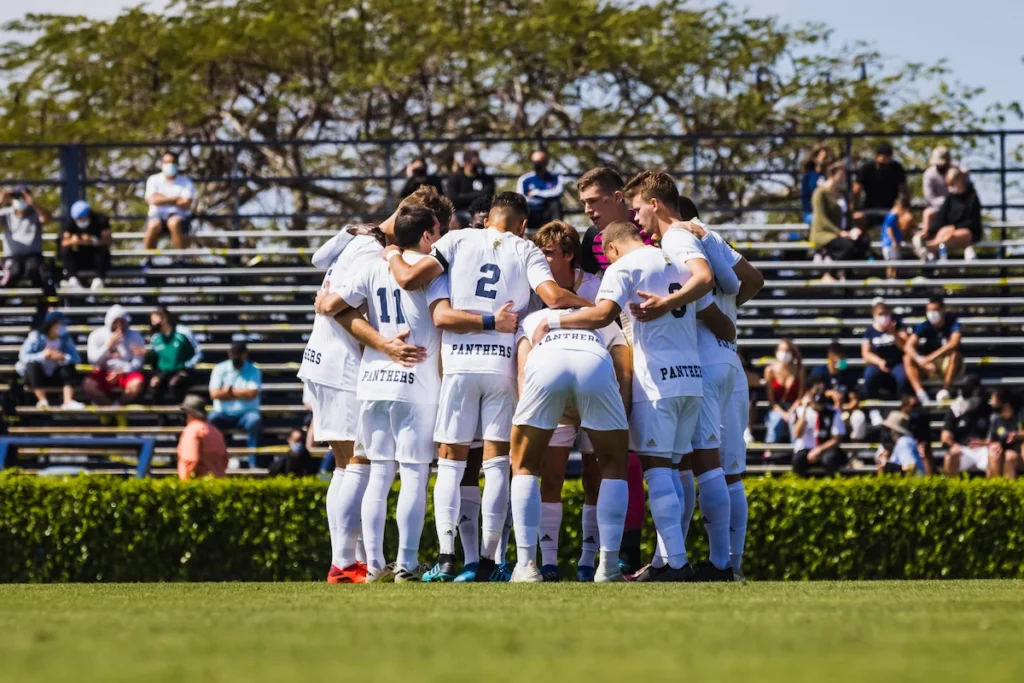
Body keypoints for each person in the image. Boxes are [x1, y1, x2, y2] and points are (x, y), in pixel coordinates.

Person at [382, 191, 590, 582]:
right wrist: (597, 307)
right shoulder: (526, 249)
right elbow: (552, 297)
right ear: (523, 224)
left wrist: (392, 252)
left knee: (451, 461)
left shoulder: (455, 240)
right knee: (497, 464)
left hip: (459, 365)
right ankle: (491, 561)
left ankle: (448, 559)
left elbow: (410, 279)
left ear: (489, 217)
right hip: (502, 366)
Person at [528, 220, 717, 582]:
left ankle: (676, 563)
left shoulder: (623, 267)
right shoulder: (679, 261)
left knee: (658, 469)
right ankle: (667, 558)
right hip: (692, 377)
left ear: (610, 248)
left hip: (656, 378)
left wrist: (553, 321)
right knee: (678, 470)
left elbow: (602, 315)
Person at [632, 188, 761, 581]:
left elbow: (698, 285)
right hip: (730, 361)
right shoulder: (710, 235)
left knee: (693, 465)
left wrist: (678, 305)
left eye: (639, 210)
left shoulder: (675, 239)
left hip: (700, 361)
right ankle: (729, 564)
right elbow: (753, 280)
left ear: (658, 206)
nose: (641, 224)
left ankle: (706, 563)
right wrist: (729, 309)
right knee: (731, 472)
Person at [330, 204, 449, 583]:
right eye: (439, 230)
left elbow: (333, 307)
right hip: (417, 378)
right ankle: (407, 565)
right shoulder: (432, 269)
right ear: (428, 234)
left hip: (373, 378)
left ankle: (375, 566)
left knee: (379, 474)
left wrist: (381, 342)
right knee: (413, 474)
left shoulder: (373, 265)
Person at [509, 299, 632, 583]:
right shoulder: (604, 319)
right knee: (613, 467)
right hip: (594, 362)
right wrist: (617, 419)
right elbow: (624, 370)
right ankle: (608, 567)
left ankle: (526, 566)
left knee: (524, 465)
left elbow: (523, 372)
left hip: (545, 362)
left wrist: (538, 412)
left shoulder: (534, 317)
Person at [528, 221, 606, 581]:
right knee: (552, 476)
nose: (541, 260)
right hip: (554, 396)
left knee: (596, 478)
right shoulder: (535, 288)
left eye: (548, 253)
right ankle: (549, 562)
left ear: (569, 254)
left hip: (594, 392)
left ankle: (590, 561)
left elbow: (612, 329)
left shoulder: (597, 284)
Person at [208, 341, 263, 468]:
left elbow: (252, 394)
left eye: (239, 355)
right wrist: (240, 393)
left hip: (246, 414)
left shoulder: (254, 370)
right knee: (211, 420)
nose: (236, 358)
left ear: (245, 355)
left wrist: (229, 391)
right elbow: (214, 394)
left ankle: (253, 463)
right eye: (234, 355)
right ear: (229, 354)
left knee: (255, 421)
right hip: (222, 414)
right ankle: (215, 462)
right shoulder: (220, 369)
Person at [15, 310, 84, 409]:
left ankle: (68, 401)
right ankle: (42, 401)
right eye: (60, 323)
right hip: (37, 378)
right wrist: (42, 356)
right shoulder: (36, 336)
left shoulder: (65, 338)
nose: (63, 326)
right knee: (32, 365)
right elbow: (23, 357)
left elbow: (76, 358)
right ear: (52, 325)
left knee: (69, 366)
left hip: (56, 377)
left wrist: (63, 357)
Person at [83, 304, 147, 406]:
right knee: (89, 384)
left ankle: (117, 407)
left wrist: (122, 372)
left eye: (122, 322)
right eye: (115, 323)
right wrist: (108, 347)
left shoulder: (135, 337)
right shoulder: (97, 335)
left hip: (126, 373)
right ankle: (111, 410)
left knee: (137, 383)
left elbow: (138, 362)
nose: (119, 326)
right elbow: (92, 360)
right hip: (104, 371)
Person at [811, 162, 869, 270]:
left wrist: (853, 229)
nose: (843, 179)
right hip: (826, 233)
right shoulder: (820, 193)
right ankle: (830, 271)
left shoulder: (843, 193)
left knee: (863, 242)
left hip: (843, 232)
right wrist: (840, 232)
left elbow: (848, 215)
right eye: (841, 176)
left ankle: (847, 275)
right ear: (832, 175)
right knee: (847, 246)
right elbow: (822, 219)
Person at [904, 296, 963, 404]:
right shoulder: (925, 325)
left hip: (947, 362)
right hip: (929, 365)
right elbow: (908, 346)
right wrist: (920, 360)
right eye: (929, 310)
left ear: (943, 310)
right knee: (907, 358)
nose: (931, 314)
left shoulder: (952, 322)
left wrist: (930, 357)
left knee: (955, 355)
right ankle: (921, 394)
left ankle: (945, 390)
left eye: (935, 310)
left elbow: (954, 343)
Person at [142, 151, 195, 267]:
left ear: (177, 164)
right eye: (166, 162)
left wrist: (162, 199)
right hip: (157, 217)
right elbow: (153, 200)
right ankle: (147, 260)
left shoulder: (186, 182)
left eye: (172, 162)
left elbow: (186, 203)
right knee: (153, 225)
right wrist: (175, 199)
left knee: (174, 222)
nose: (169, 165)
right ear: (161, 164)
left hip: (180, 218)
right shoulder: (153, 180)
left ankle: (181, 259)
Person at [145, 306, 203, 405]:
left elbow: (198, 353)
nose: (153, 324)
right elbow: (156, 361)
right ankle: (163, 419)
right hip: (164, 372)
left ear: (164, 319)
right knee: (154, 387)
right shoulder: (155, 338)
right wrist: (147, 355)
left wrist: (185, 367)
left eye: (155, 320)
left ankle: (182, 417)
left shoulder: (182, 332)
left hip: (184, 371)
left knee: (174, 384)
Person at [921, 167, 982, 261]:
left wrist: (954, 227)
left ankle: (931, 247)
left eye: (953, 183)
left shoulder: (972, 197)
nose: (952, 186)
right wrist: (930, 232)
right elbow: (941, 217)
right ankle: (933, 250)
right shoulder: (950, 198)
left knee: (952, 234)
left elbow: (972, 221)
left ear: (960, 181)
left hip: (969, 231)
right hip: (949, 231)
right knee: (944, 231)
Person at [810, 341, 866, 440]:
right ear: (830, 356)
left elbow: (854, 397)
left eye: (843, 357)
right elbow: (812, 395)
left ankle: (853, 452)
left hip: (844, 410)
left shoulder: (848, 373)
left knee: (859, 418)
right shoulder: (819, 372)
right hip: (823, 410)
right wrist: (830, 393)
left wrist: (848, 406)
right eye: (839, 356)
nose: (842, 360)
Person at [1, 186, 54, 291]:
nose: (20, 200)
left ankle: (42, 302)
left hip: (33, 256)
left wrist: (34, 204)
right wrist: (2, 199)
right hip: (12, 257)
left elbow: (48, 218)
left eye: (23, 197)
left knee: (33, 270)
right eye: (17, 197)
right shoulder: (6, 213)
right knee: (13, 272)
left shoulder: (35, 213)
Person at [942, 376, 991, 477]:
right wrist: (953, 445)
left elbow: (996, 435)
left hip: (983, 449)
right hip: (963, 449)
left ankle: (995, 490)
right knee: (949, 457)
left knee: (995, 455)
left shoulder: (987, 409)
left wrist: (984, 442)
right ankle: (951, 490)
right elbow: (945, 437)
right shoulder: (955, 409)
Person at [791, 388, 847, 477]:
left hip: (825, 449)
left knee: (829, 459)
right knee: (798, 460)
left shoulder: (833, 412)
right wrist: (804, 411)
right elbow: (796, 434)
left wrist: (819, 449)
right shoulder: (801, 411)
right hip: (806, 448)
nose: (819, 407)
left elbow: (836, 439)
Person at [861, 300, 909, 403]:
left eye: (885, 314)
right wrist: (879, 362)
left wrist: (893, 333)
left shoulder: (898, 327)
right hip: (878, 363)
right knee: (869, 376)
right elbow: (865, 353)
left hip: (896, 362)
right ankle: (873, 406)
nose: (883, 316)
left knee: (903, 378)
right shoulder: (870, 331)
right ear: (874, 316)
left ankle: (901, 402)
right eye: (880, 314)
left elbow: (905, 347)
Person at [853, 141, 907, 228]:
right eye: (882, 163)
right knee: (856, 218)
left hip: (892, 209)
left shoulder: (897, 168)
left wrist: (899, 207)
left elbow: (903, 192)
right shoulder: (866, 168)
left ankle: (898, 241)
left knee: (907, 219)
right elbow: (856, 190)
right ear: (876, 157)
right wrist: (855, 208)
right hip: (869, 208)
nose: (885, 165)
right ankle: (861, 240)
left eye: (887, 162)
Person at [59, 200, 111, 290]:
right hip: (79, 258)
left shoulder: (100, 219)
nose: (80, 221)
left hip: (96, 259)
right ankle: (73, 279)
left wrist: (93, 240)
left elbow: (108, 240)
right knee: (65, 250)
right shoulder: (71, 222)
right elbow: (64, 242)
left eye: (82, 218)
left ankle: (99, 279)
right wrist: (74, 241)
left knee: (102, 250)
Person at [176, 395, 229, 480]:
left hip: (199, 484)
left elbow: (190, 459)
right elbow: (225, 459)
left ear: (188, 414)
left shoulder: (192, 430)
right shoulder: (215, 431)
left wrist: (185, 482)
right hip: (218, 482)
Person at [763, 339, 804, 444]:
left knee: (794, 420)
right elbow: (771, 401)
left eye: (787, 351)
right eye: (781, 350)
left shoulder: (799, 370)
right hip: (777, 408)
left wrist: (790, 412)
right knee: (775, 420)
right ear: (776, 352)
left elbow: (800, 398)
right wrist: (783, 414)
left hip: (793, 406)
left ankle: (797, 450)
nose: (784, 353)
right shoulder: (770, 371)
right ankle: (769, 452)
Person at [516, 149, 565, 232]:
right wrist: (540, 199)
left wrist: (536, 193)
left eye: (540, 162)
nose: (537, 165)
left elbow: (558, 192)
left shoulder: (556, 178)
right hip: (531, 214)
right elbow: (522, 197)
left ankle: (557, 232)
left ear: (546, 162)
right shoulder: (525, 179)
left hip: (547, 213)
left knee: (555, 203)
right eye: (535, 162)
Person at [445, 148, 495, 228]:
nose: (476, 167)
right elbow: (453, 199)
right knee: (452, 220)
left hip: (482, 212)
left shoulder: (486, 179)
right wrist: (478, 195)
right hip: (461, 213)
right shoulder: (455, 178)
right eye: (472, 164)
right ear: (465, 163)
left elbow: (488, 196)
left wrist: (462, 196)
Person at [987, 389, 1023, 480]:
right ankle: (995, 488)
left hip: (1019, 451)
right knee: (993, 453)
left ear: (1005, 403)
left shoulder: (1020, 414)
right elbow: (991, 440)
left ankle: (1009, 491)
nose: (992, 404)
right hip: (1004, 451)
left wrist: (1017, 435)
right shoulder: (995, 418)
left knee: (1010, 457)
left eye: (994, 401)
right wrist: (995, 443)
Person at [876, 411, 925, 476]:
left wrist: (887, 466)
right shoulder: (907, 440)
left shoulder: (903, 442)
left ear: (894, 430)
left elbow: (912, 467)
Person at [881, 195, 914, 279]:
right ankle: (890, 285)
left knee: (895, 266)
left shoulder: (895, 216)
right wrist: (894, 241)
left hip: (892, 244)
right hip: (890, 245)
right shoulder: (893, 215)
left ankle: (893, 283)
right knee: (891, 265)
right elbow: (889, 229)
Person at [922, 145, 952, 234]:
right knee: (928, 213)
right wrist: (946, 202)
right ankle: (925, 238)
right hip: (936, 208)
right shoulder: (929, 174)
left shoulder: (956, 171)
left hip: (955, 207)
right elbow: (930, 198)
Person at [800, 146, 833, 224]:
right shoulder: (809, 176)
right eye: (824, 157)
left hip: (827, 213)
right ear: (815, 158)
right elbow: (808, 196)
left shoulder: (830, 175)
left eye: (828, 158)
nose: (826, 160)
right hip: (812, 213)